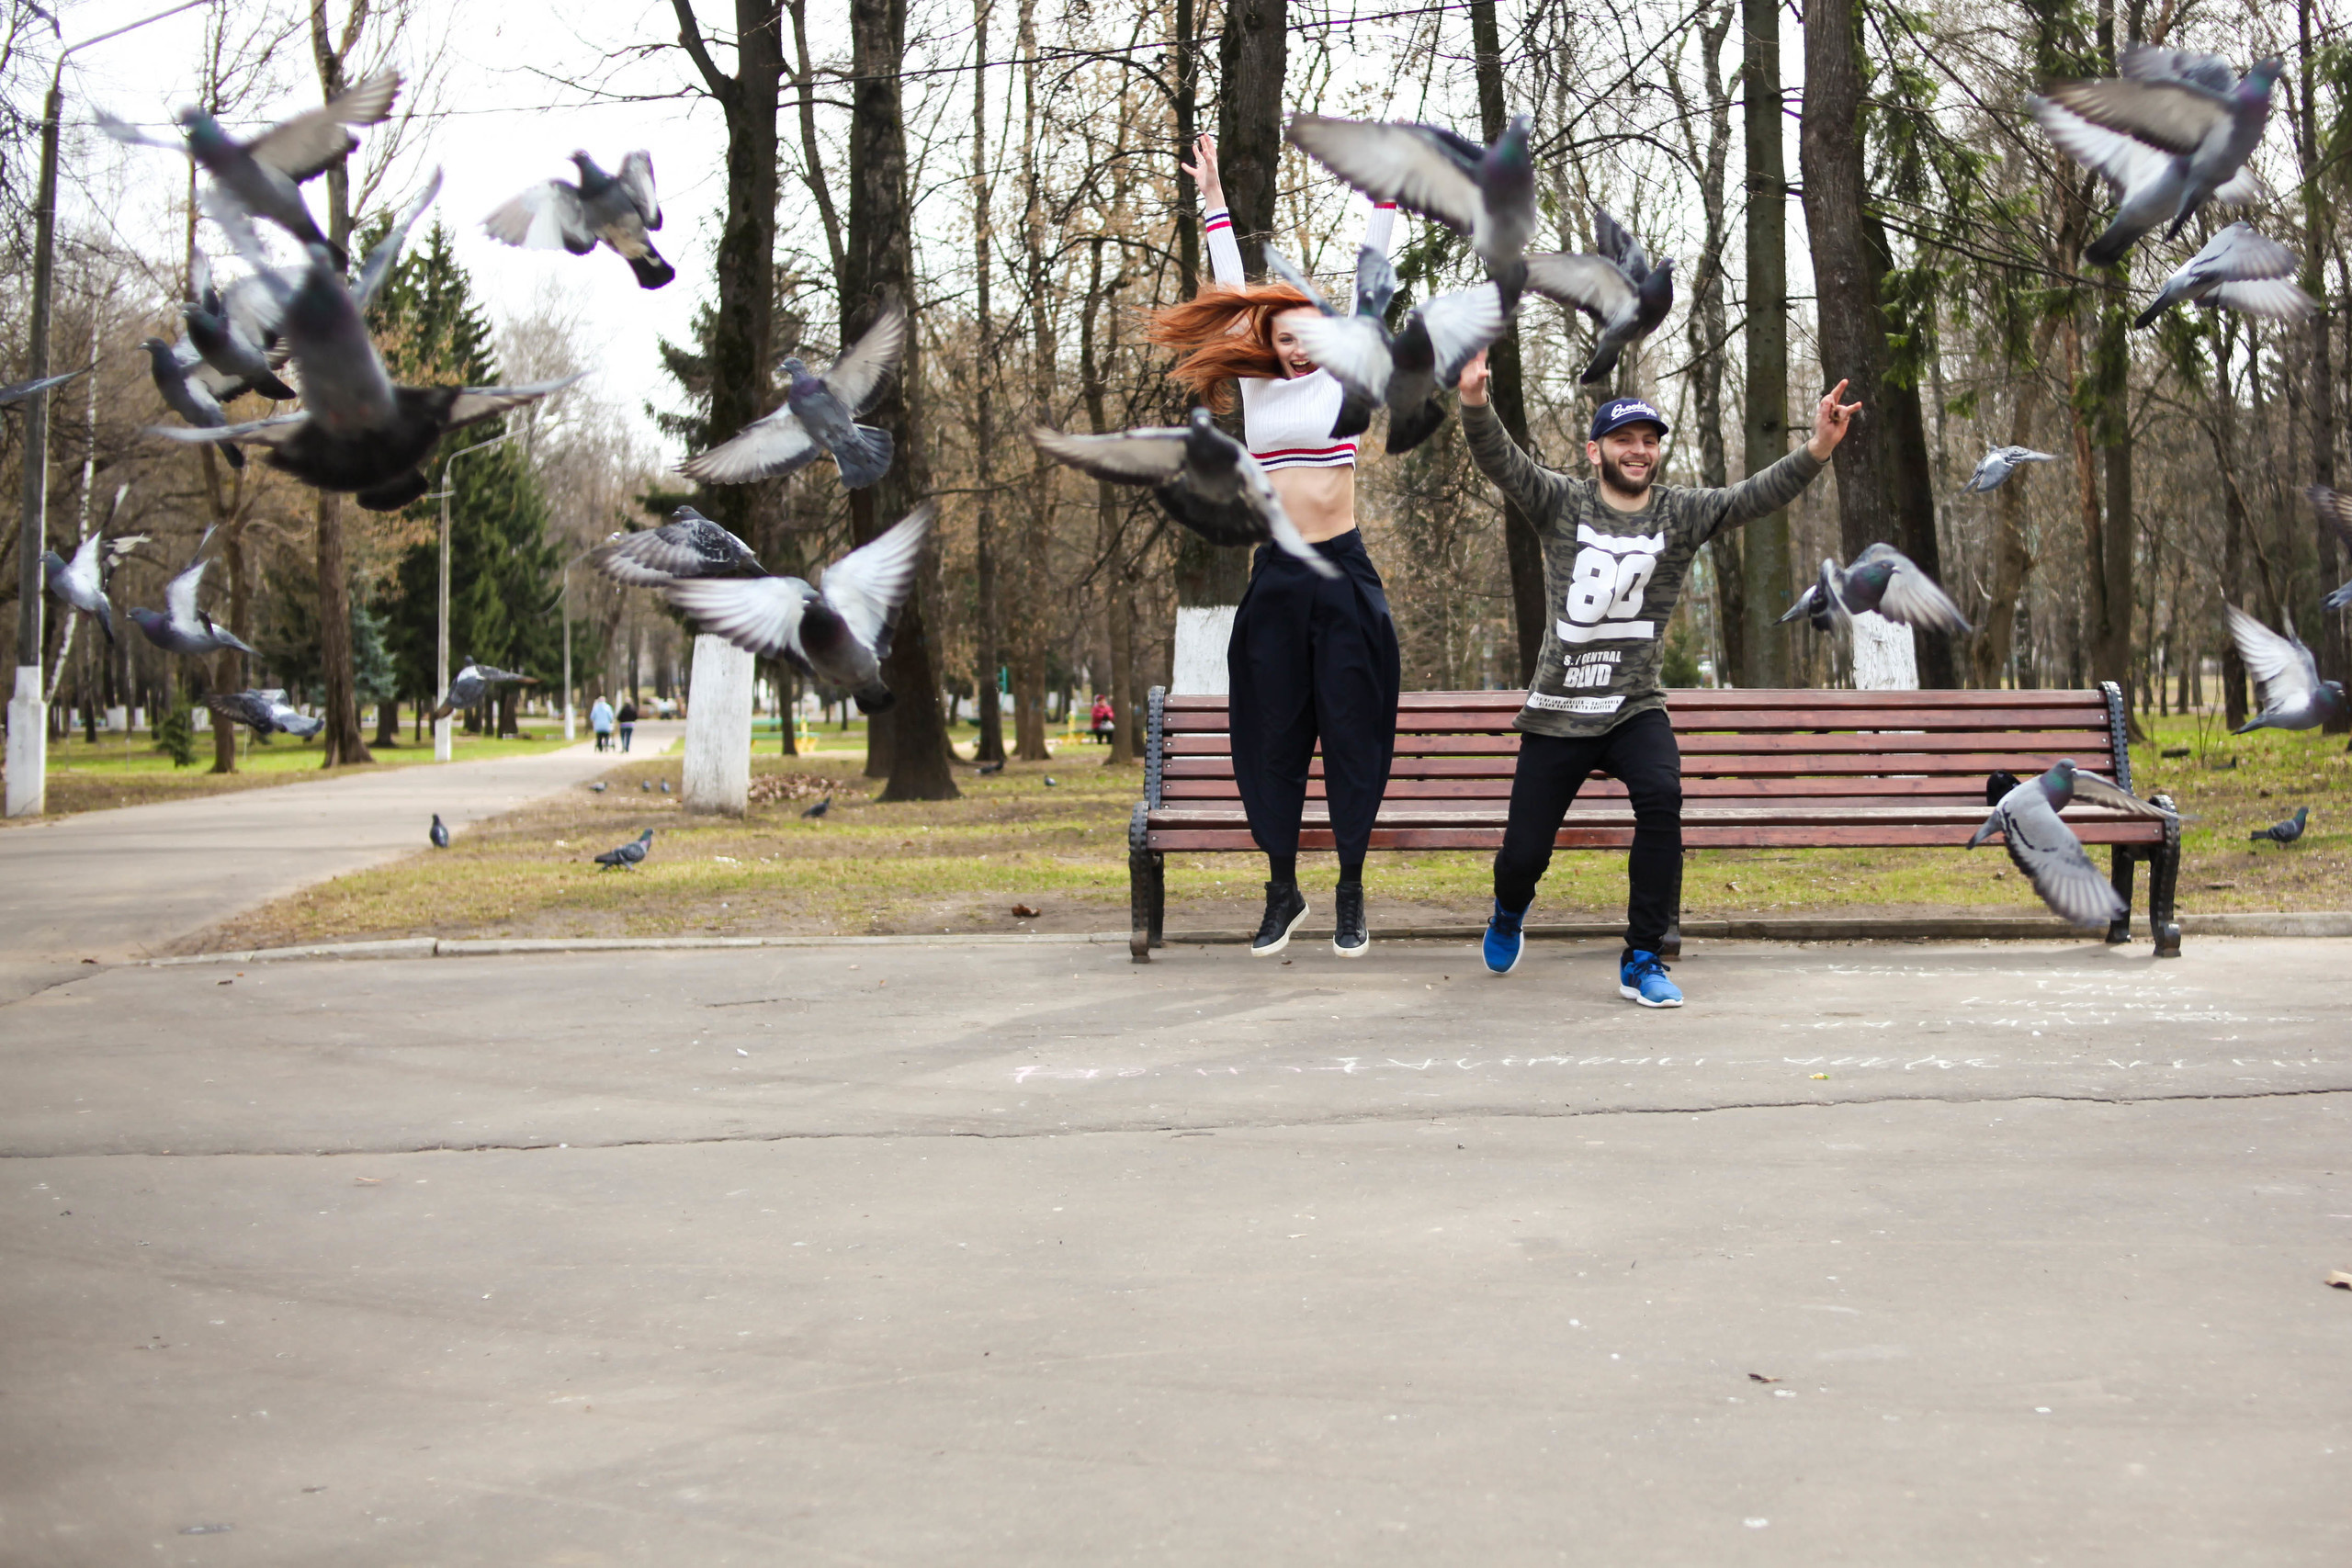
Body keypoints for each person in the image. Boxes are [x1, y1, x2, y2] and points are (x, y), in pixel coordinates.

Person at [1457, 354, 1860, 1008]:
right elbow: (1503, 462)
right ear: (1595, 451)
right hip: (1559, 708)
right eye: (1624, 440)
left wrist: (1817, 446)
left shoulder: (1679, 512)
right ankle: (1509, 908)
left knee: (1661, 794)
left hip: (1633, 706)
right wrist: (1476, 402)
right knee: (1523, 855)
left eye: (1648, 441)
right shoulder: (1561, 503)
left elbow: (1751, 495)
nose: (1639, 451)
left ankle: (1642, 956)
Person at [1148, 132, 1403, 961]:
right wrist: (1214, 197)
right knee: (1271, 736)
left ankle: (1352, 890)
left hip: (1345, 574)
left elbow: (1371, 287)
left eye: (1305, 335)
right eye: (1282, 336)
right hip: (1279, 582)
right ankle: (1283, 886)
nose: (1295, 348)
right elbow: (1229, 290)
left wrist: (1387, 204)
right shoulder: (1256, 384)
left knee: (1355, 735)